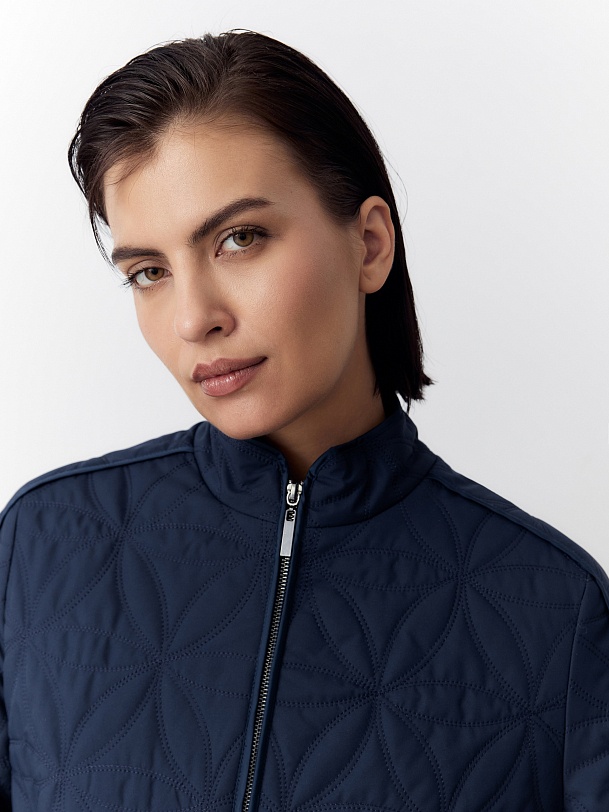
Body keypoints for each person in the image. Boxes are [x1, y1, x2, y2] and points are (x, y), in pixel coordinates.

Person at [0, 30, 607, 812]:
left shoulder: (554, 613)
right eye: (149, 272)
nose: (192, 318)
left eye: (239, 239)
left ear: (370, 245)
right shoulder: (43, 544)